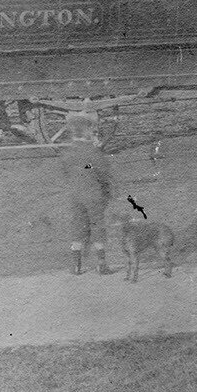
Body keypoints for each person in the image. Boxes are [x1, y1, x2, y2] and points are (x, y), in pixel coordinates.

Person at [56, 111, 114, 275]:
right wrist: (106, 192)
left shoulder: (67, 154)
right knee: (97, 226)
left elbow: (66, 173)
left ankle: (76, 265)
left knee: (77, 226)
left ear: (73, 133)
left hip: (75, 196)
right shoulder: (94, 153)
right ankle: (101, 264)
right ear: (88, 132)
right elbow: (104, 175)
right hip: (94, 195)